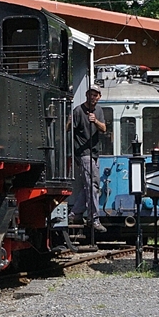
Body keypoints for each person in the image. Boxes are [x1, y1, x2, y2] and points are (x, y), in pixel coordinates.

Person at [70, 86, 107, 232]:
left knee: (89, 186)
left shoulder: (99, 111)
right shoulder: (78, 111)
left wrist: (95, 121)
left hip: (95, 153)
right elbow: (69, 128)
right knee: (93, 184)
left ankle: (75, 213)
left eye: (95, 95)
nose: (93, 97)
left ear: (99, 97)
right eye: (91, 94)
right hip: (84, 154)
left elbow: (104, 128)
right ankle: (94, 218)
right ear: (86, 95)